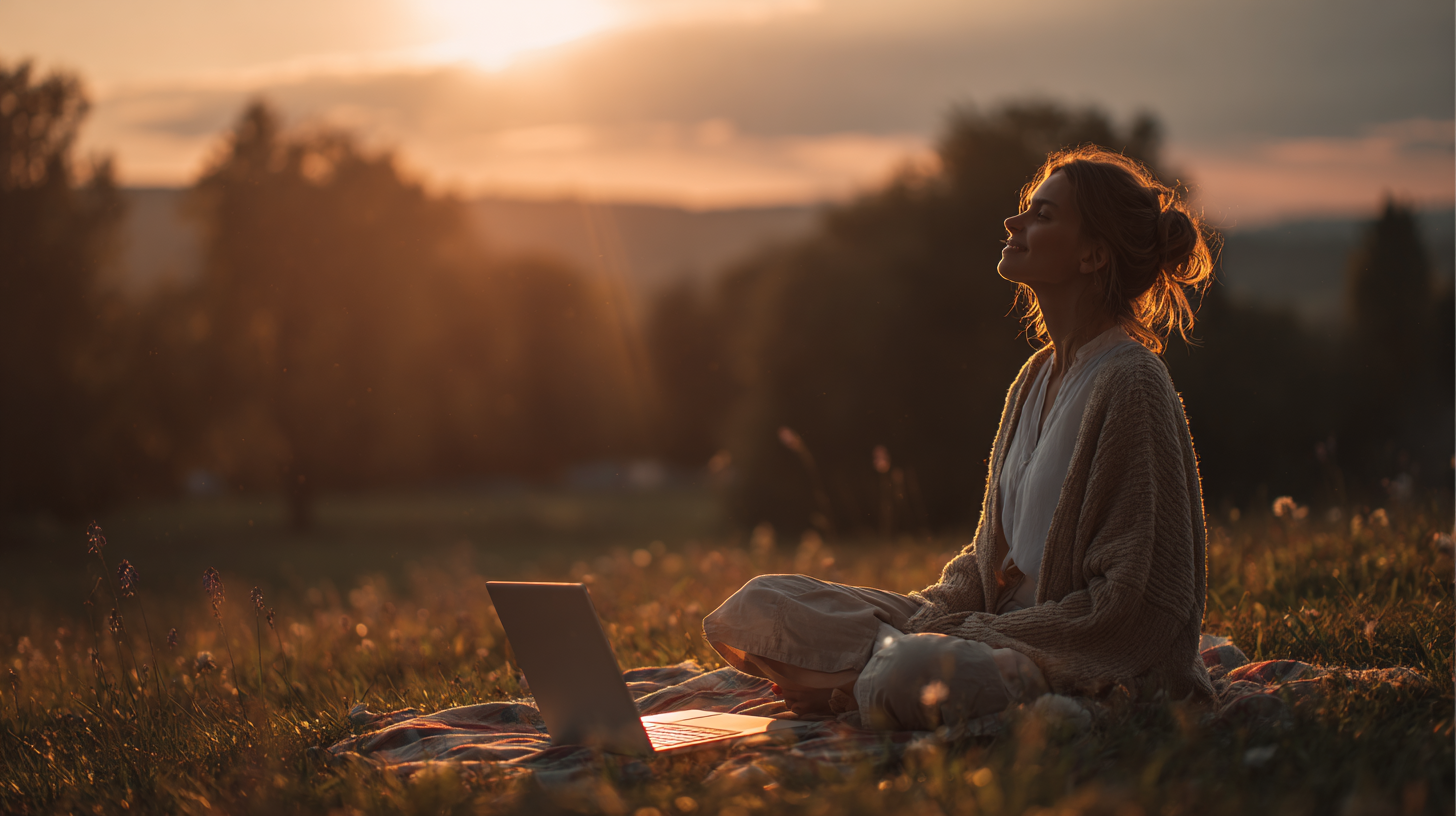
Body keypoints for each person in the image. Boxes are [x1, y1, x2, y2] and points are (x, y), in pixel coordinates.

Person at [702, 145, 1218, 730]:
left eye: (1043, 215)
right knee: (762, 605)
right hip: (984, 634)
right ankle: (868, 676)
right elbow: (985, 563)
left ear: (1093, 254)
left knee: (909, 670)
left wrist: (956, 638)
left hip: (1072, 657)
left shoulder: (1131, 382)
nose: (1014, 222)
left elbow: (1130, 608)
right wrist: (933, 621)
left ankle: (857, 682)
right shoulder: (1034, 379)